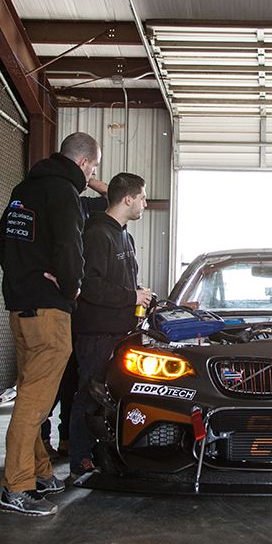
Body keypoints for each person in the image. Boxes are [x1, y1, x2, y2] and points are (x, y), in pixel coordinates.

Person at [0, 132, 101, 516]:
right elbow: (71, 249)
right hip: (49, 312)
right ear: (86, 164)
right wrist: (69, 289)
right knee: (35, 402)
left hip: (19, 308)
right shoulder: (65, 194)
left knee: (30, 393)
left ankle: (39, 473)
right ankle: (17, 488)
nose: (92, 176)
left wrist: (24, 277)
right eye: (93, 168)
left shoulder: (25, 188)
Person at [68, 173, 154, 478]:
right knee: (88, 394)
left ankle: (107, 452)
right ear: (128, 199)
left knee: (111, 396)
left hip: (122, 333)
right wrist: (132, 294)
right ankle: (79, 459)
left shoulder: (124, 236)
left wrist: (140, 295)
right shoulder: (96, 234)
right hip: (97, 333)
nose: (145, 203)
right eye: (142, 197)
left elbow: (119, 281)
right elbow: (89, 286)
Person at [41, 189, 108, 460]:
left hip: (78, 315)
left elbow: (112, 195)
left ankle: (67, 439)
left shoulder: (82, 204)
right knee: (52, 382)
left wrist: (88, 177)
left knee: (72, 383)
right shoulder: (54, 203)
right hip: (59, 308)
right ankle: (42, 439)